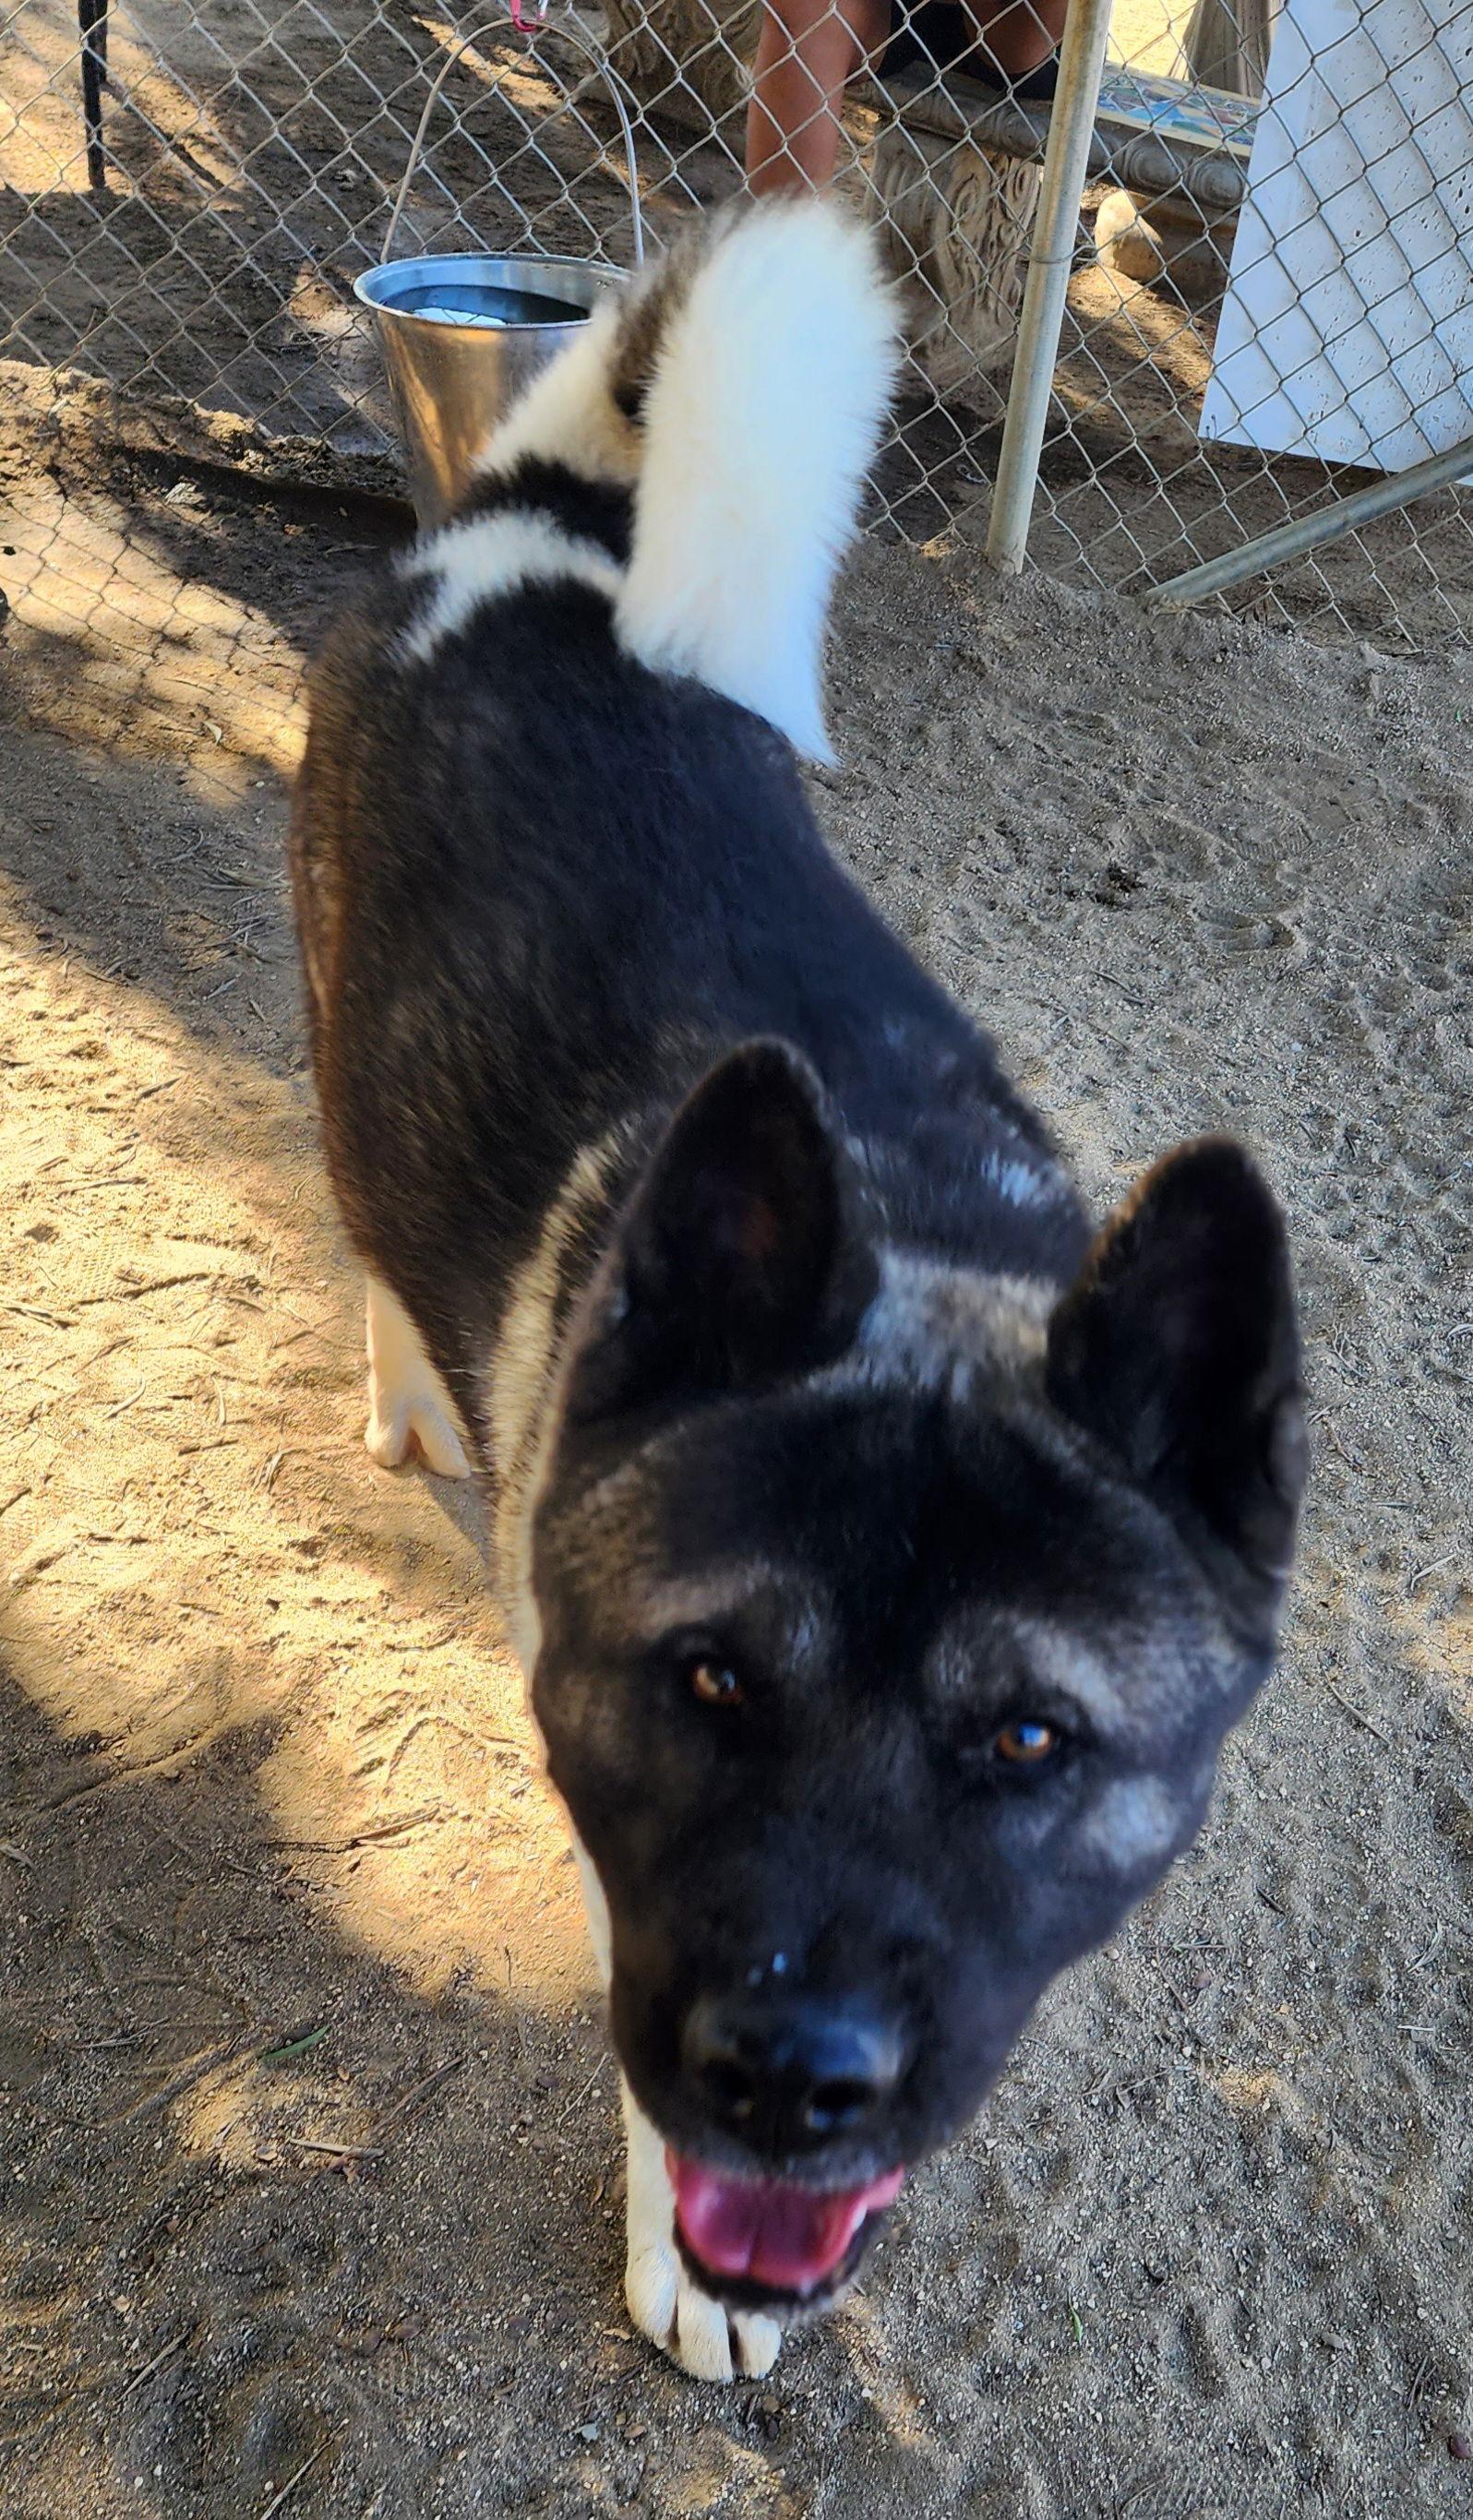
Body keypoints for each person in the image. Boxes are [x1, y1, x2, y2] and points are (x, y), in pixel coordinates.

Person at [747, 0, 1069, 194]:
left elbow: (1013, 45)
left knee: (1018, 43)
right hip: (891, 12)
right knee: (807, 8)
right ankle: (783, 265)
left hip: (1022, 30)